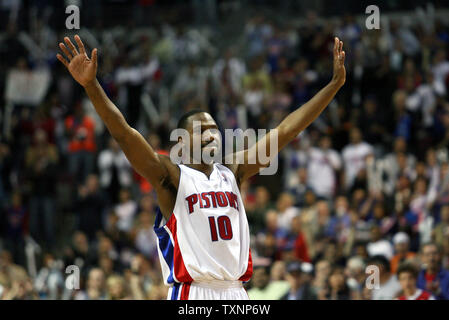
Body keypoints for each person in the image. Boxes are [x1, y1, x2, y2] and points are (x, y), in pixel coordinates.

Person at [56, 34, 346, 300]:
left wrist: (333, 86)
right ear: (182, 142)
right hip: (193, 292)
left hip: (236, 291)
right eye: (202, 130)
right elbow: (124, 133)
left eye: (214, 128)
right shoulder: (170, 176)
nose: (211, 134)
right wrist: (92, 86)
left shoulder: (232, 170)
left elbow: (285, 130)